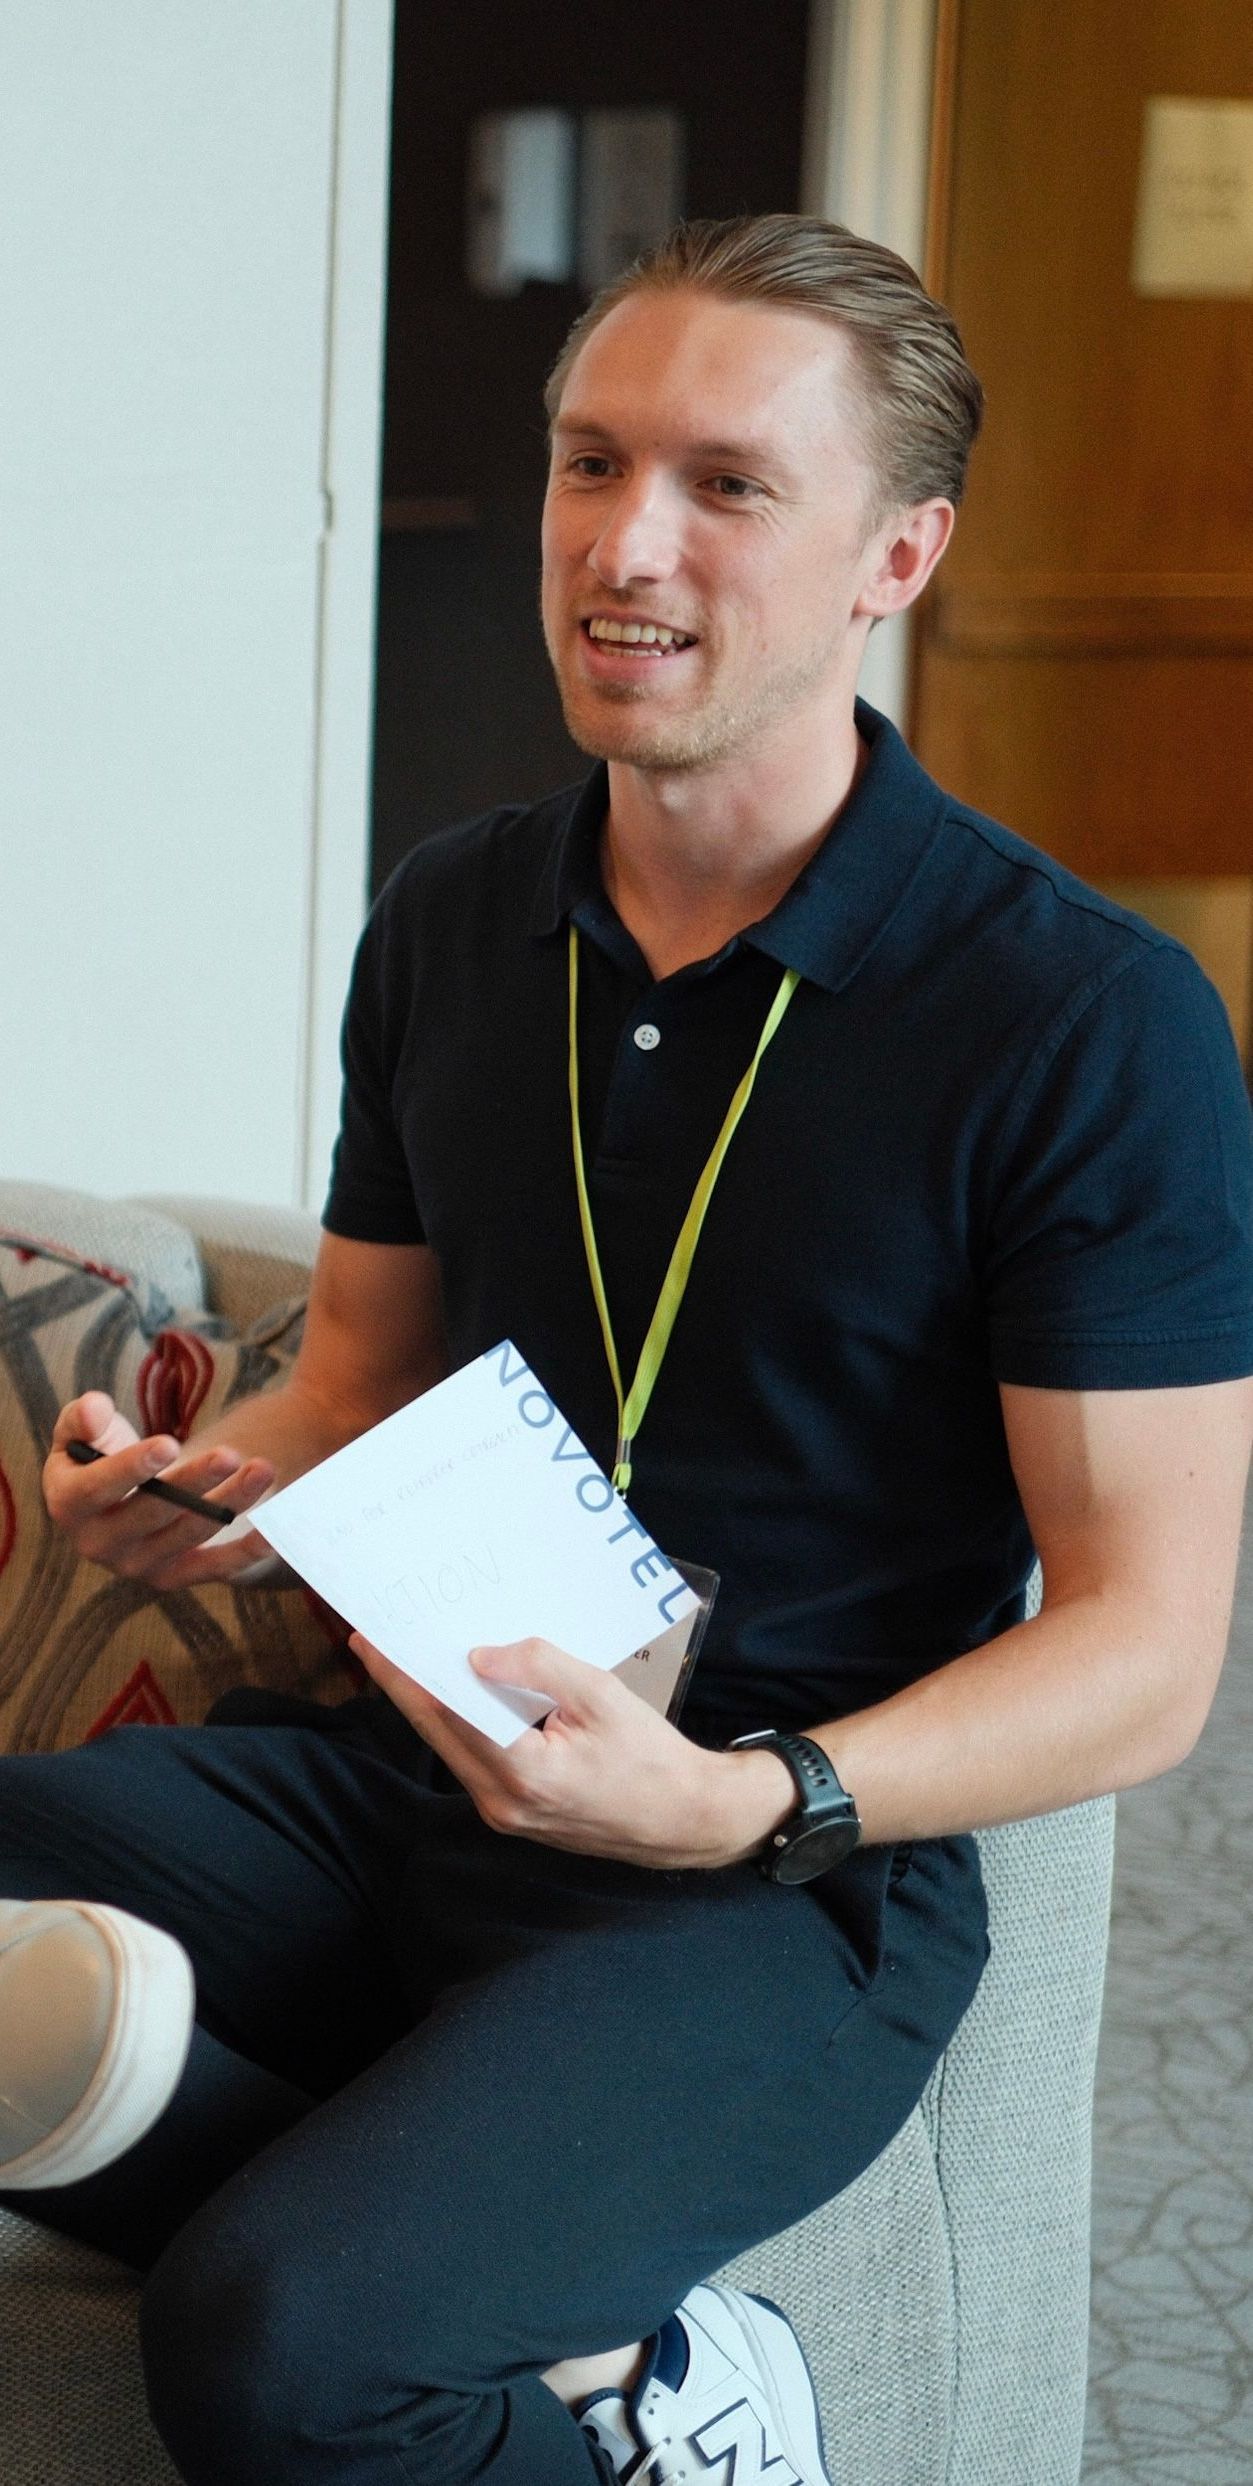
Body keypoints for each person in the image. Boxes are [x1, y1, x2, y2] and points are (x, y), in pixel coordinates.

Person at [3, 212, 1252, 2486]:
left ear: (901, 553)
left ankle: (648, 2394)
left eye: (727, 485)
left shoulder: (1085, 1021)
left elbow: (1153, 1652)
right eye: (591, 463)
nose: (624, 542)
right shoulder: (462, 912)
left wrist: (740, 1799)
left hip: (771, 1883)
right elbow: (358, 1381)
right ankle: (462, 2269)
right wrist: (193, 1506)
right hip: (414, 1776)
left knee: (273, 2352)